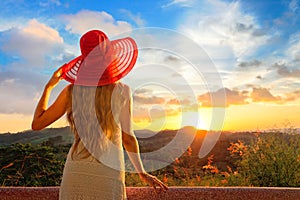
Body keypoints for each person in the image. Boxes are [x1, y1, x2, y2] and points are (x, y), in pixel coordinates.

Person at [32, 30, 168, 199]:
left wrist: (49, 86)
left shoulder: (72, 92)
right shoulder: (122, 91)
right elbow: (128, 138)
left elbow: (37, 124)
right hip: (110, 171)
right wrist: (142, 172)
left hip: (76, 171)